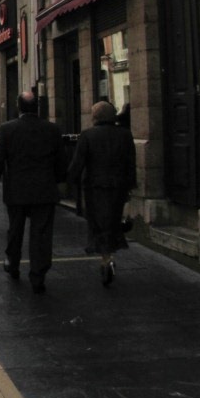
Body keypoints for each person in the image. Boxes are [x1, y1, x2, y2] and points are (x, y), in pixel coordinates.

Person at [0, 91, 67, 293]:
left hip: (16, 189)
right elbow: (61, 161)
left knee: (15, 229)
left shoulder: (7, 129)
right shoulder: (52, 129)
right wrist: (59, 180)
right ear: (37, 108)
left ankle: (13, 262)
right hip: (44, 189)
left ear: (19, 107)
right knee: (41, 233)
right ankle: (38, 275)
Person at [68, 101, 136, 286]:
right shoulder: (125, 134)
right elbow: (130, 162)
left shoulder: (88, 135)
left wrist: (69, 180)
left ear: (95, 117)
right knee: (113, 221)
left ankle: (106, 259)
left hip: (95, 187)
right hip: (118, 186)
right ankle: (109, 255)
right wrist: (130, 185)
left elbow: (78, 163)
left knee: (99, 222)